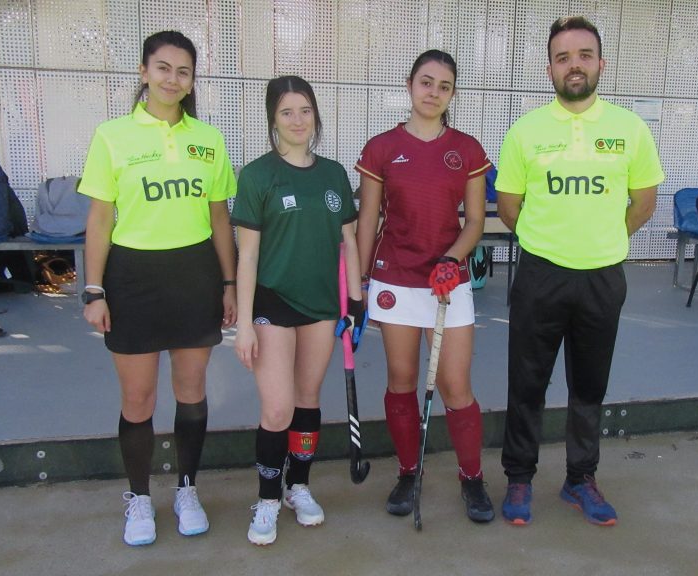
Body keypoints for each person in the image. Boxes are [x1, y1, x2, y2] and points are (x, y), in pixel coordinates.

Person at [496, 16, 665, 527]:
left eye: (584, 55)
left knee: (589, 385)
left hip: (601, 277)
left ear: (601, 63)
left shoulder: (629, 128)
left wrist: (600, 239)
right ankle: (520, 478)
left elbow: (644, 203)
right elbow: (509, 207)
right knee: (527, 382)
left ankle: (579, 479)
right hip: (540, 275)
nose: (575, 65)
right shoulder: (526, 130)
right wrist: (554, 240)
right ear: (550, 68)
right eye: (564, 57)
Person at [79, 30, 237, 546]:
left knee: (191, 392)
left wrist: (230, 283)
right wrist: (94, 290)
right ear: (144, 72)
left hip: (195, 275)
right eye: (163, 68)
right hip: (133, 278)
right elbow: (101, 218)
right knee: (139, 398)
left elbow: (220, 219)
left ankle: (187, 489)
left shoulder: (209, 139)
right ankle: (140, 498)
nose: (173, 79)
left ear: (193, 80)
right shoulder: (112, 135)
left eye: (184, 71)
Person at [356, 50, 495, 523]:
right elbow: (369, 219)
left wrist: (450, 262)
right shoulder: (380, 148)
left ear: (451, 94)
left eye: (444, 86)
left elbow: (475, 221)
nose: (433, 92)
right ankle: (408, 470)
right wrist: (360, 281)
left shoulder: (468, 149)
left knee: (456, 384)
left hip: (446, 280)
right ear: (410, 85)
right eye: (426, 82)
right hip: (394, 277)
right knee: (402, 380)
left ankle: (471, 478)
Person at [232, 75, 362, 546]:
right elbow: (246, 255)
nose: (298, 120)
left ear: (316, 115)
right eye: (287, 112)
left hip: (322, 306)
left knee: (307, 400)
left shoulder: (333, 174)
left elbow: (348, 241)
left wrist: (357, 301)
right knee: (278, 406)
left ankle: (298, 487)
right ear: (272, 119)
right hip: (272, 301)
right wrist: (244, 324)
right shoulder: (257, 176)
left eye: (305, 110)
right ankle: (267, 498)